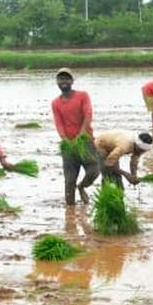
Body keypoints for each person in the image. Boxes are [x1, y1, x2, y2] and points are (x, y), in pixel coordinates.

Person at [51, 67, 99, 205]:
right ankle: (70, 211)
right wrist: (65, 139)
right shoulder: (56, 102)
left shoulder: (82, 95)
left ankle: (82, 186)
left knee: (94, 171)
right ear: (57, 82)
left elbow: (88, 114)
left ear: (72, 81)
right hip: (68, 145)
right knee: (69, 180)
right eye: (61, 79)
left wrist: (81, 134)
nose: (63, 81)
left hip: (86, 141)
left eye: (66, 78)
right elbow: (58, 123)